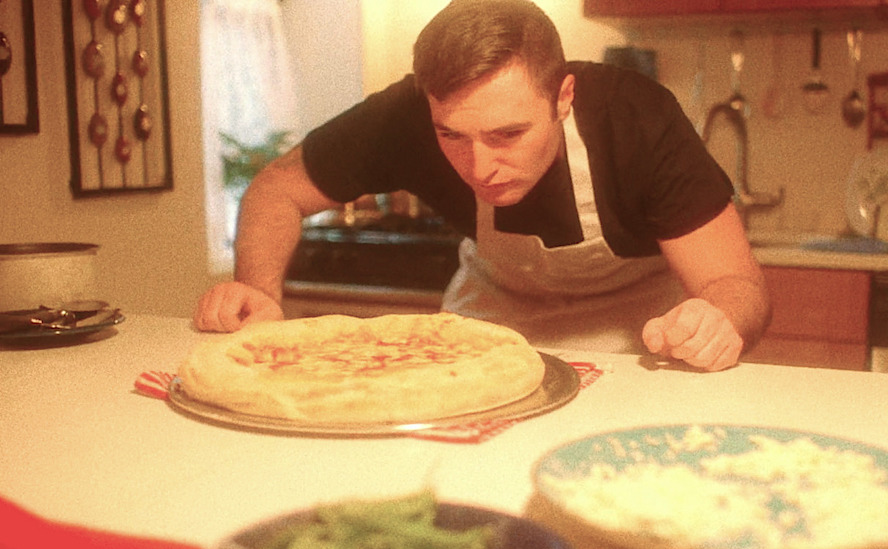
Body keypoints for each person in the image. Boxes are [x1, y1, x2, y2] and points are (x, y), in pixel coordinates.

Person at [194, 0, 771, 372]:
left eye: (508, 133)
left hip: (638, 338)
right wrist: (259, 290)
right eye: (453, 136)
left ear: (563, 97)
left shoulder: (638, 118)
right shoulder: (406, 114)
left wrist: (718, 319)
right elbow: (277, 189)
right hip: (488, 327)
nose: (481, 165)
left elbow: (736, 283)